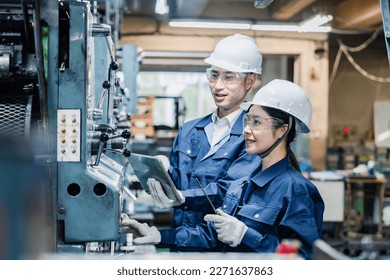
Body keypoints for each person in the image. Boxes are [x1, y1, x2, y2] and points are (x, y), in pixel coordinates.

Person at [122, 79, 324, 259]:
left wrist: (246, 235)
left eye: (257, 122)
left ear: (283, 129)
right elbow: (211, 235)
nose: (246, 130)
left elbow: (303, 258)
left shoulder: (296, 189)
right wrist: (157, 235)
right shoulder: (243, 182)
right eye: (247, 120)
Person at [139, 34, 263, 252]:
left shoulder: (252, 136)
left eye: (229, 77)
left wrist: (179, 198)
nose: (218, 86)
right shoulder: (189, 129)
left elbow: (227, 191)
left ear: (249, 81)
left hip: (218, 252)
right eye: (214, 75)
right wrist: (162, 173)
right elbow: (177, 181)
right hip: (180, 244)